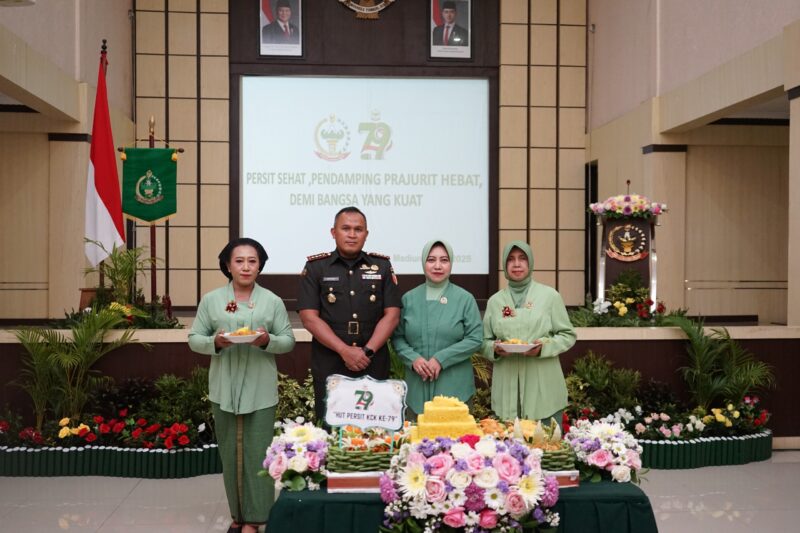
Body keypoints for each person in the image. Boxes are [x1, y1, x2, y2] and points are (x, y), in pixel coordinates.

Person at [188, 238, 295, 533]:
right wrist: (215, 342)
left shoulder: (272, 301)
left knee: (258, 455)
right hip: (223, 390)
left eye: (252, 261)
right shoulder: (211, 300)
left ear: (260, 266)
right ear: (227, 265)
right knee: (230, 454)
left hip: (261, 391)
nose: (246, 267)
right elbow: (194, 338)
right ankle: (237, 515)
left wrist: (267, 341)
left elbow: (288, 341)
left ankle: (256, 519)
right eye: (239, 261)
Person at [298, 207, 401, 422]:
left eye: (358, 229)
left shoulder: (382, 266)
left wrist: (367, 352)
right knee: (330, 429)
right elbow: (309, 318)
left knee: (372, 430)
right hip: (331, 363)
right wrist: (344, 350)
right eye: (346, 228)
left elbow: (392, 315)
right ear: (333, 232)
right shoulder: (316, 267)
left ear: (366, 234)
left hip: (372, 362)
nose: (352, 234)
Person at [481, 240, 576, 424]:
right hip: (506, 387)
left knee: (546, 440)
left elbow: (567, 334)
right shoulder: (495, 301)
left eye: (522, 258)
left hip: (543, 387)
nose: (516, 264)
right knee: (508, 440)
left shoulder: (550, 296)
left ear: (530, 262)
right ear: (504, 265)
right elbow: (484, 341)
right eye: (511, 259)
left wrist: (543, 347)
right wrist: (494, 348)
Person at [392, 239, 482, 419]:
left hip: (455, 389)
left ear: (451, 263)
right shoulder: (409, 299)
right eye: (431, 260)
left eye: (444, 260)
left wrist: (441, 359)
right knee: (416, 436)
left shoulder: (465, 299)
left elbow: (475, 338)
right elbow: (397, 337)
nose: (438, 266)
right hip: (417, 388)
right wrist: (413, 359)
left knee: (457, 438)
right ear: (423, 262)